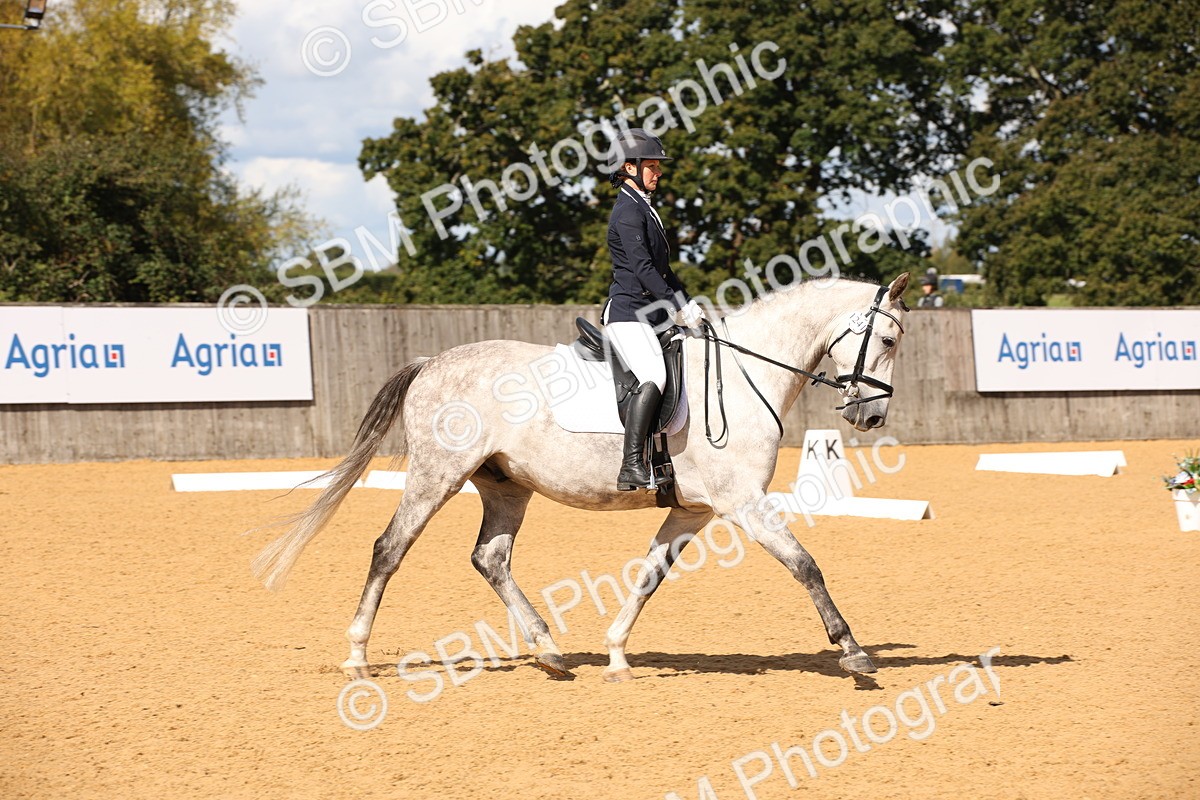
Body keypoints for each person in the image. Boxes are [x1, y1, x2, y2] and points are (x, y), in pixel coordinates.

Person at [602, 128, 705, 491]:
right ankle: (631, 464)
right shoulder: (627, 212)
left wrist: (687, 302)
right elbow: (643, 269)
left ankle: (667, 459)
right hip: (630, 314)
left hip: (652, 314)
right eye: (651, 166)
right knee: (653, 375)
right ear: (628, 167)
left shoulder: (643, 207)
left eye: (658, 166)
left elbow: (664, 271)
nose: (658, 172)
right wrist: (674, 307)